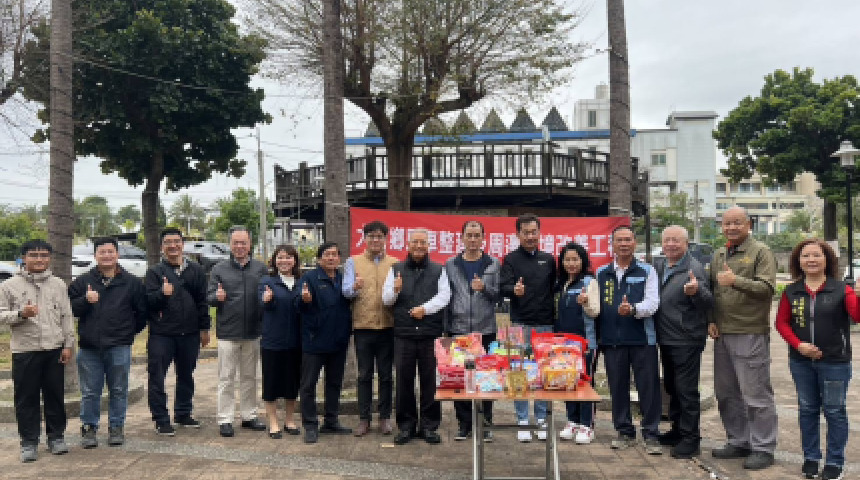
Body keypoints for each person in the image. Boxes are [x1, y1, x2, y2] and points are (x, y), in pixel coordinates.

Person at [775, 239, 858, 480]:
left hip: (835, 362)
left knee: (834, 411)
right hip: (801, 362)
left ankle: (834, 461)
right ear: (798, 261)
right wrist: (799, 345)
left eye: (816, 255)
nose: (811, 260)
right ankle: (811, 458)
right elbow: (781, 323)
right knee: (808, 409)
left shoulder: (842, 289)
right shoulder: (792, 291)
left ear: (827, 260)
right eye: (805, 256)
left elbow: (857, 315)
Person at [709, 206, 778, 470]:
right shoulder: (719, 254)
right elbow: (713, 291)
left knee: (756, 394)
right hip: (722, 334)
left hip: (750, 332)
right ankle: (738, 440)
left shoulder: (761, 252)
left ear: (749, 225)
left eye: (737, 222)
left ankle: (763, 447)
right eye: (727, 223)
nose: (731, 227)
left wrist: (735, 280)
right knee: (726, 393)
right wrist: (710, 320)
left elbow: (767, 288)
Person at [68, 237, 147, 448]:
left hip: (119, 346)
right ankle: (89, 428)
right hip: (89, 347)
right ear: (95, 255)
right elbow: (70, 309)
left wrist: (127, 333)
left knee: (119, 389)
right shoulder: (83, 282)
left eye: (110, 251)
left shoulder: (132, 282)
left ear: (117, 254)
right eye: (102, 252)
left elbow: (142, 313)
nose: (107, 256)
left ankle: (116, 427)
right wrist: (85, 301)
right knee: (90, 392)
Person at [0, 239, 74, 462]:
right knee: (26, 398)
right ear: (24, 258)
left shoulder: (58, 284)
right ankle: (29, 442)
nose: (39, 259)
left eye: (44, 255)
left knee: (55, 396)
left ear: (49, 258)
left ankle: (56, 437)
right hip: (25, 351)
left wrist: (68, 345)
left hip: (54, 349)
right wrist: (21, 314)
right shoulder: (8, 286)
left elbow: (66, 316)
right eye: (33, 255)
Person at [595, 225, 661, 454]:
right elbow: (596, 306)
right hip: (612, 341)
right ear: (612, 244)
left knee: (648, 388)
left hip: (642, 340)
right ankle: (624, 432)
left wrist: (633, 309)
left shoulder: (647, 271)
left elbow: (653, 303)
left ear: (635, 243)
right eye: (619, 240)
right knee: (618, 388)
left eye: (628, 240)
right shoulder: (601, 273)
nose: (623, 244)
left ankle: (651, 434)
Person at [383, 229, 451, 445]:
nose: (419, 246)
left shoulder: (438, 269)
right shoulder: (396, 269)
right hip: (404, 333)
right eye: (415, 242)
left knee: (430, 382)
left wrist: (425, 309)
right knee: (404, 381)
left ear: (428, 246)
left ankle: (429, 427)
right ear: (408, 245)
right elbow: (386, 300)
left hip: (430, 333)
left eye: (423, 242)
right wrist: (395, 290)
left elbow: (445, 296)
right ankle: (406, 426)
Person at [652, 226, 713, 458]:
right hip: (666, 337)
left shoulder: (693, 269)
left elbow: (708, 302)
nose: (670, 244)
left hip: (686, 339)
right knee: (672, 387)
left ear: (686, 244)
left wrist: (696, 292)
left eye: (676, 240)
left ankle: (691, 438)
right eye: (667, 240)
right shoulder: (660, 266)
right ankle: (677, 430)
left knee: (686, 391)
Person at [145, 228, 211, 436]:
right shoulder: (155, 272)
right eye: (168, 242)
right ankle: (161, 419)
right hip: (162, 333)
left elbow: (202, 301)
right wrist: (162, 294)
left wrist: (204, 328)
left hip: (189, 333)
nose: (172, 245)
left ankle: (183, 413)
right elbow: (148, 303)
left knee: (186, 375)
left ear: (183, 244)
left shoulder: (196, 270)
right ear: (162, 247)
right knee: (157, 377)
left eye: (176, 241)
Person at [500, 213, 556, 442]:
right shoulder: (510, 259)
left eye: (534, 232)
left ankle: (541, 419)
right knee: (518, 372)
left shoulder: (548, 259)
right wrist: (514, 290)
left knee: (544, 373)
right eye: (526, 232)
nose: (530, 236)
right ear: (518, 234)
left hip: (545, 324)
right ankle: (522, 420)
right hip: (518, 324)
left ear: (539, 233)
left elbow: (556, 288)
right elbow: (503, 286)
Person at [208, 226, 268, 437]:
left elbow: (267, 294)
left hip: (253, 331)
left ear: (250, 244)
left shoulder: (260, 269)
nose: (240, 246)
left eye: (244, 242)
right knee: (226, 378)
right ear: (230, 245)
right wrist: (217, 297)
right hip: (228, 332)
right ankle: (225, 419)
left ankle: (249, 415)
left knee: (250, 377)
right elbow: (209, 297)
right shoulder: (219, 269)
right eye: (236, 242)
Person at [445, 220, 500, 442]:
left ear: (483, 238)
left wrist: (484, 288)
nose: (473, 239)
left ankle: (485, 423)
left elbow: (499, 295)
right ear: (462, 238)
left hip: (485, 329)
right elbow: (446, 297)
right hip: (459, 330)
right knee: (461, 378)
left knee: (487, 378)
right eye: (469, 235)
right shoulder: (451, 264)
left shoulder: (492, 264)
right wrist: (446, 329)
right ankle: (464, 424)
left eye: (477, 235)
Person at [342, 221, 398, 437]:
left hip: (387, 326)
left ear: (385, 239)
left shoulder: (395, 263)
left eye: (380, 236)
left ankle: (384, 417)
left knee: (386, 375)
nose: (376, 240)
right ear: (364, 239)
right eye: (371, 236)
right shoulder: (353, 262)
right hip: (363, 327)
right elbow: (346, 291)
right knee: (364, 375)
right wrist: (354, 288)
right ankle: (364, 418)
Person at [297, 242, 354, 444]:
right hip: (315, 341)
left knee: (334, 383)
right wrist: (304, 299)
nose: (331, 258)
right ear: (319, 259)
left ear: (339, 258)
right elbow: (297, 304)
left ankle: (331, 421)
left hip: (338, 341)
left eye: (334, 254)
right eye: (327, 254)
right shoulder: (310, 278)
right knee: (308, 385)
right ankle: (310, 425)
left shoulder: (343, 278)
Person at [555, 241, 600, 444]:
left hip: (585, 343)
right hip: (564, 344)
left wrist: (586, 302)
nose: (571, 263)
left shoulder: (589, 282)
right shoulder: (563, 284)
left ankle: (586, 425)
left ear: (583, 261)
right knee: (567, 381)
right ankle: (572, 420)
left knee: (584, 382)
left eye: (575, 259)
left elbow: (595, 311)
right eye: (567, 259)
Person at [258, 245, 303, 439]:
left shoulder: (301, 282)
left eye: (288, 257)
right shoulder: (267, 282)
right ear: (274, 261)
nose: (284, 261)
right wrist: (267, 299)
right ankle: (274, 422)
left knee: (292, 383)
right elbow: (262, 303)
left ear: (295, 261)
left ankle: (290, 420)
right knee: (271, 383)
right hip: (273, 342)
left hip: (296, 342)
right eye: (280, 257)